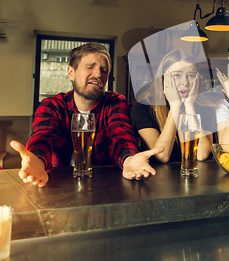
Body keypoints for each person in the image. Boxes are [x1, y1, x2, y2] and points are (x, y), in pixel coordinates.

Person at [10, 42, 163, 187]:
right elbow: (43, 136)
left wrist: (129, 160)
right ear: (71, 72)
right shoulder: (52, 105)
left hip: (103, 189)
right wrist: (38, 160)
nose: (98, 74)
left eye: (104, 70)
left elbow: (121, 134)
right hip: (56, 187)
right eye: (90, 67)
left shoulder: (114, 102)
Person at [131, 49, 215, 163]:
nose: (185, 82)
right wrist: (175, 107)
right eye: (177, 75)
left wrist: (189, 106)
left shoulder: (205, 108)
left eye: (190, 75)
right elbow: (161, 156)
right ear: (163, 79)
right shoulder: (142, 109)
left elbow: (202, 154)